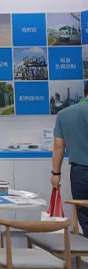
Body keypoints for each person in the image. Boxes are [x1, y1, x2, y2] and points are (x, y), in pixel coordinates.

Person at [51, 81, 88, 234]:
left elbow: (59, 146)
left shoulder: (64, 114)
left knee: (85, 216)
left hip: (80, 174)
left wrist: (56, 174)